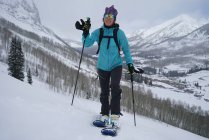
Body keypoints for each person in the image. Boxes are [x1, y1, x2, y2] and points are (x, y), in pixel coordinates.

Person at [76, 5, 135, 127]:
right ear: (103, 18)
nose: (108, 19)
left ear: (114, 19)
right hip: (102, 66)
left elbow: (126, 49)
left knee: (114, 87)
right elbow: (87, 44)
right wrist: (85, 32)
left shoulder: (119, 33)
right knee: (104, 92)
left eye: (111, 17)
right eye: (106, 16)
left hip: (116, 65)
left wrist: (130, 64)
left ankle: (114, 115)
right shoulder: (99, 32)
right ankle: (104, 114)